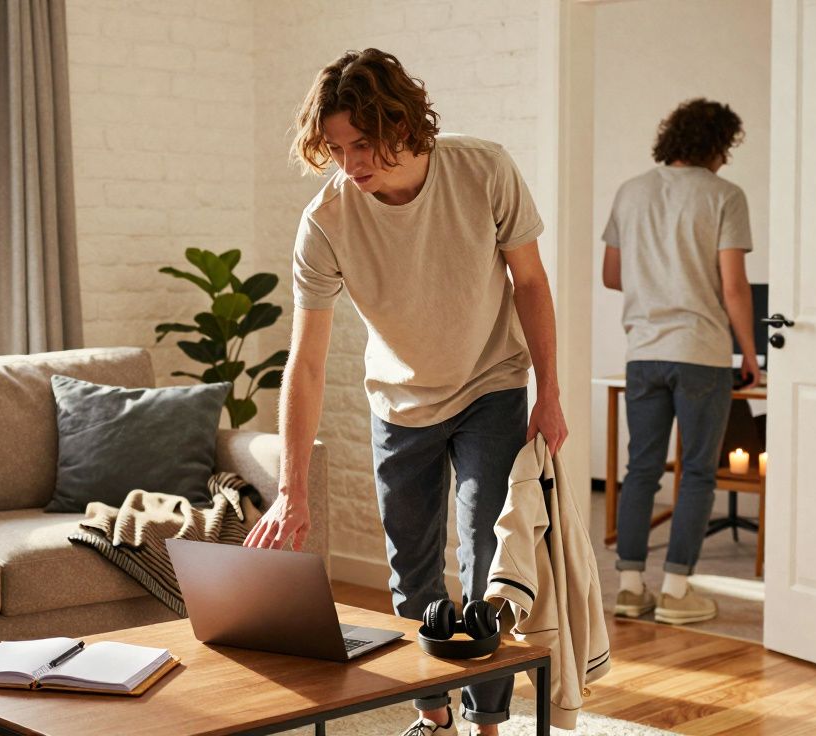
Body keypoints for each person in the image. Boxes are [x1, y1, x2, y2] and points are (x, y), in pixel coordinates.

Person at [241, 49, 567, 736]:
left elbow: (531, 284)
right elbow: (305, 363)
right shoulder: (326, 220)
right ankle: (434, 718)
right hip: (399, 401)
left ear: (404, 123)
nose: (351, 163)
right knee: (412, 577)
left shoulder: (484, 170)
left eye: (363, 143)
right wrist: (292, 488)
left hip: (491, 385)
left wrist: (551, 393)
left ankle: (487, 724)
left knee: (488, 559)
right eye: (335, 148)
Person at [601, 98, 759, 626]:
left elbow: (612, 274)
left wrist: (658, 280)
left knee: (640, 470)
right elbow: (734, 286)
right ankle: (675, 591)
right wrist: (751, 354)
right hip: (700, 353)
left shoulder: (631, 191)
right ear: (716, 145)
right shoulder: (724, 196)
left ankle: (628, 588)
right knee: (696, 473)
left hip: (643, 353)